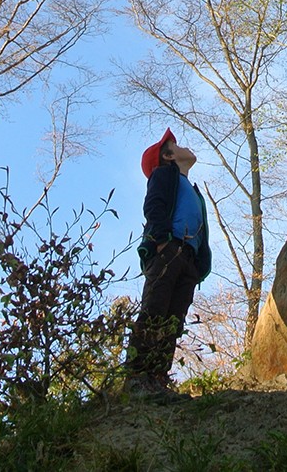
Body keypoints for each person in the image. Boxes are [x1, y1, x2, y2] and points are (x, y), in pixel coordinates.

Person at [124, 127, 212, 399]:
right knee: (154, 310)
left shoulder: (191, 189)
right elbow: (154, 205)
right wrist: (162, 241)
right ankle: (137, 380)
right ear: (169, 155)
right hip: (169, 250)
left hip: (189, 260)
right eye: (176, 145)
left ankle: (158, 381)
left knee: (173, 322)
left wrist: (197, 265)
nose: (184, 147)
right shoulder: (163, 175)